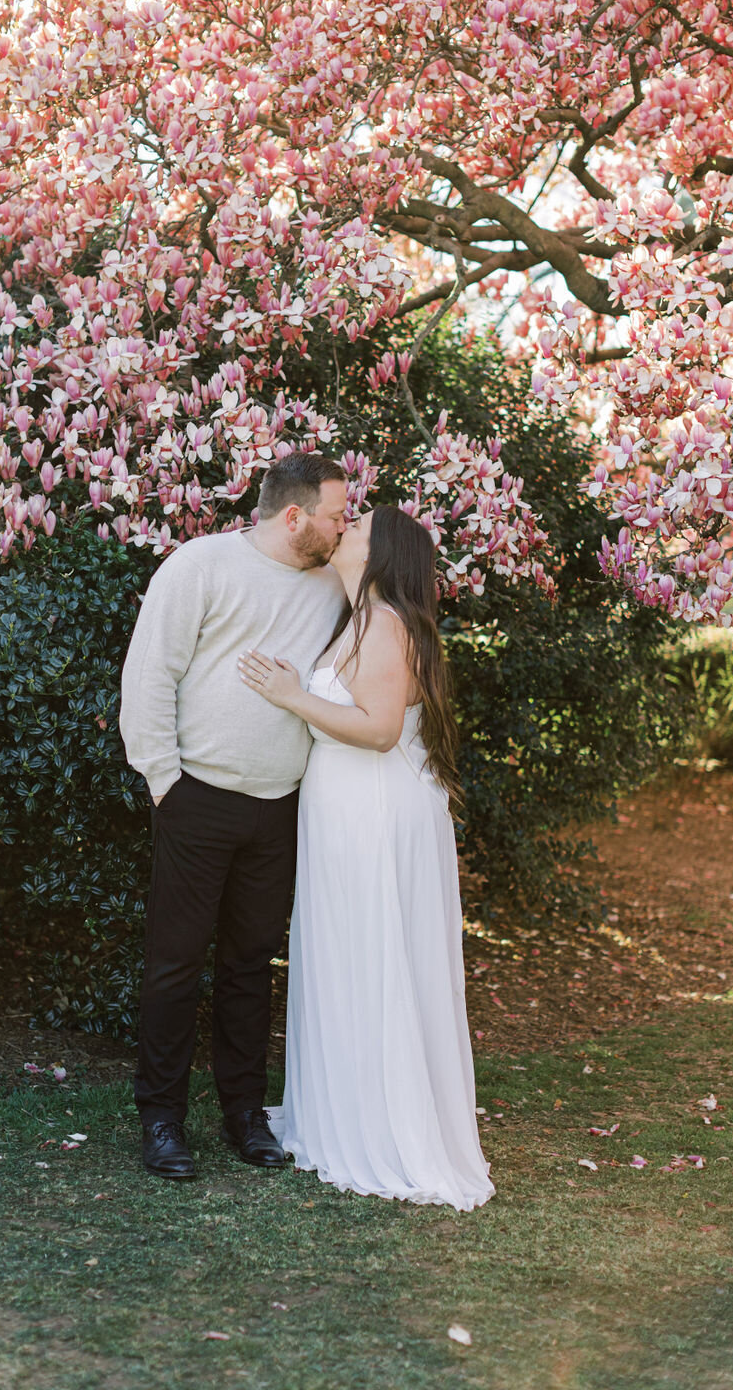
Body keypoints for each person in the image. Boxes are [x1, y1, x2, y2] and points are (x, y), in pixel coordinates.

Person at [238, 504, 495, 1211]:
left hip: (375, 812)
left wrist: (291, 696)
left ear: (381, 554)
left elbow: (380, 730)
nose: (342, 531)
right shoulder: (359, 617)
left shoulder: (385, 624)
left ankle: (382, 1129)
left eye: (356, 529)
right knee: (348, 957)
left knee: (373, 957)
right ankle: (339, 1114)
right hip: (346, 811)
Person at [120, 452, 348, 1179]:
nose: (346, 526)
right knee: (175, 967)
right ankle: (162, 1120)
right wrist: (166, 783)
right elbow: (149, 672)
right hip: (197, 801)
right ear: (294, 516)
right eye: (337, 515)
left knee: (251, 967)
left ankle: (246, 1116)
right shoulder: (200, 566)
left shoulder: (330, 585)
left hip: (280, 809)